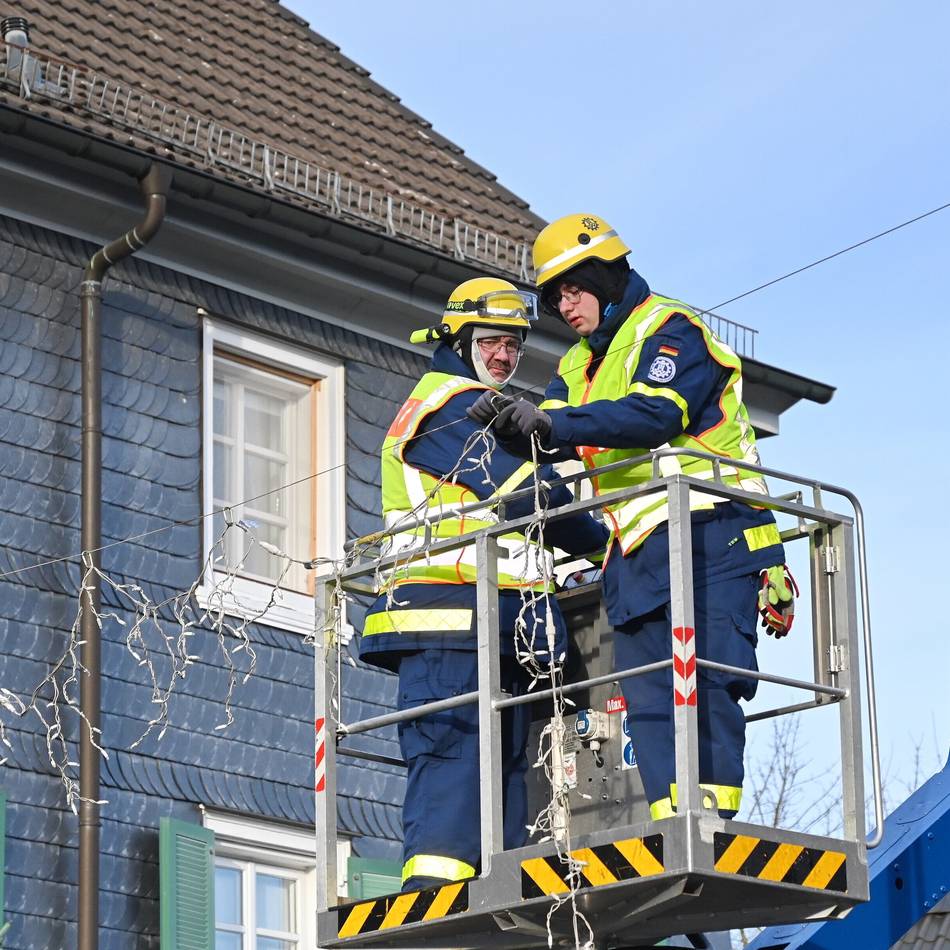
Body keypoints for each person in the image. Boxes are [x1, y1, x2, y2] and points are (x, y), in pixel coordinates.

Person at [469, 215, 795, 821]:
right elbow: (555, 438)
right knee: (646, 690)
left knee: (710, 676)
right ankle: (674, 817)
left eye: (574, 289)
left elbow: (656, 414)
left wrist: (551, 423)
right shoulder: (575, 365)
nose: (566, 306)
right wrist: (513, 428)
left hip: (712, 529)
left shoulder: (669, 328)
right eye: (555, 296)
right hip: (636, 543)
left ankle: (710, 821)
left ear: (607, 278)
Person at [359, 276, 608, 891]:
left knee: (501, 773)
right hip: (447, 620)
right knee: (453, 765)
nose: (505, 356)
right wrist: (603, 539)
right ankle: (435, 902)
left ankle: (489, 890)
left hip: (496, 627)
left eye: (516, 347)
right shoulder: (444, 404)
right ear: (458, 339)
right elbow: (524, 496)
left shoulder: (482, 411)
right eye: (493, 341)